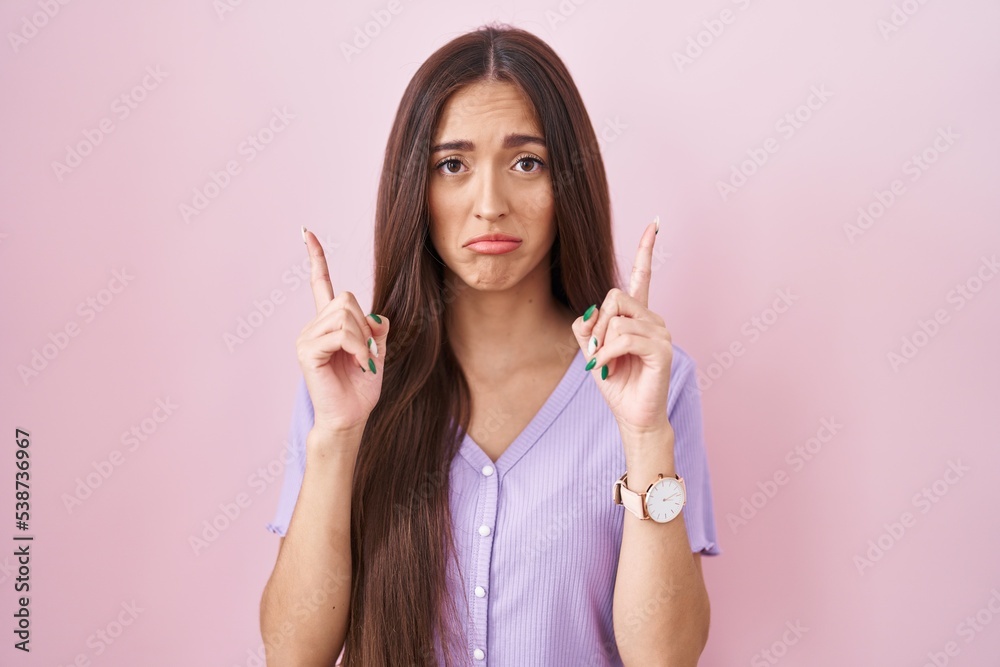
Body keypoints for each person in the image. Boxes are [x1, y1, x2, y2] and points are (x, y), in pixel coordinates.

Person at [259, 23, 721, 667]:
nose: (490, 204)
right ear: (414, 191)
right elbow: (292, 654)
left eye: (526, 162)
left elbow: (665, 659)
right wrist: (337, 437)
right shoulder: (346, 380)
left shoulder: (655, 383)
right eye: (453, 165)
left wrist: (646, 439)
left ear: (569, 185)